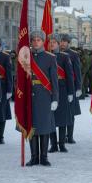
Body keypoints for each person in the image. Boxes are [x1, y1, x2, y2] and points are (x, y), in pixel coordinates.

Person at [26, 30, 58, 167]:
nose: (36, 42)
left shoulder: (50, 57)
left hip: (45, 96)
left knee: (44, 127)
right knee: (32, 126)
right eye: (33, 40)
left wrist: (55, 99)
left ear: (43, 41)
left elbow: (54, 80)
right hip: (29, 96)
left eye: (38, 40)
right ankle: (34, 157)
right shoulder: (26, 57)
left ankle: (44, 157)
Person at [48, 34, 74, 153]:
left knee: (62, 118)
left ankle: (62, 144)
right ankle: (53, 144)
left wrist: (70, 92)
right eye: (50, 42)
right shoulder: (46, 56)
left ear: (59, 44)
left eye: (54, 42)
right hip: (49, 90)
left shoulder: (64, 57)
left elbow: (69, 76)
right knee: (51, 118)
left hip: (63, 90)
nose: (52, 44)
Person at [59, 34, 82, 144]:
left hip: (71, 87)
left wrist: (78, 87)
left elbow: (77, 72)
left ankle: (70, 136)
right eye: (61, 41)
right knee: (61, 113)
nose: (62, 43)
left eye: (65, 41)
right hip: (60, 87)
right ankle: (61, 137)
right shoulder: (55, 54)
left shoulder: (73, 55)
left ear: (68, 43)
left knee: (71, 113)